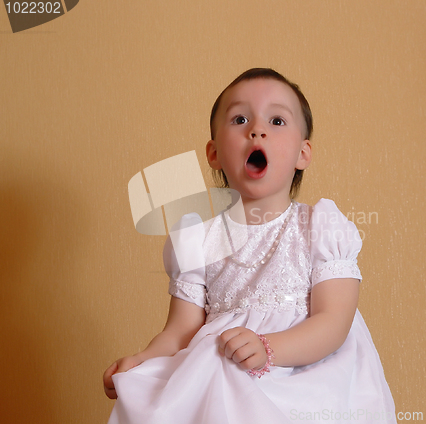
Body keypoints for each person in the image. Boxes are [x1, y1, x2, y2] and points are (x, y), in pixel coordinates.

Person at [103, 68, 397, 424]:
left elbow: (334, 321)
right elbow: (179, 331)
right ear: (213, 154)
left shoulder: (320, 228)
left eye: (276, 120)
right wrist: (144, 359)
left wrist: (269, 348)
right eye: (240, 119)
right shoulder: (199, 238)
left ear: (303, 153)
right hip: (222, 376)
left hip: (308, 379)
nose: (256, 130)